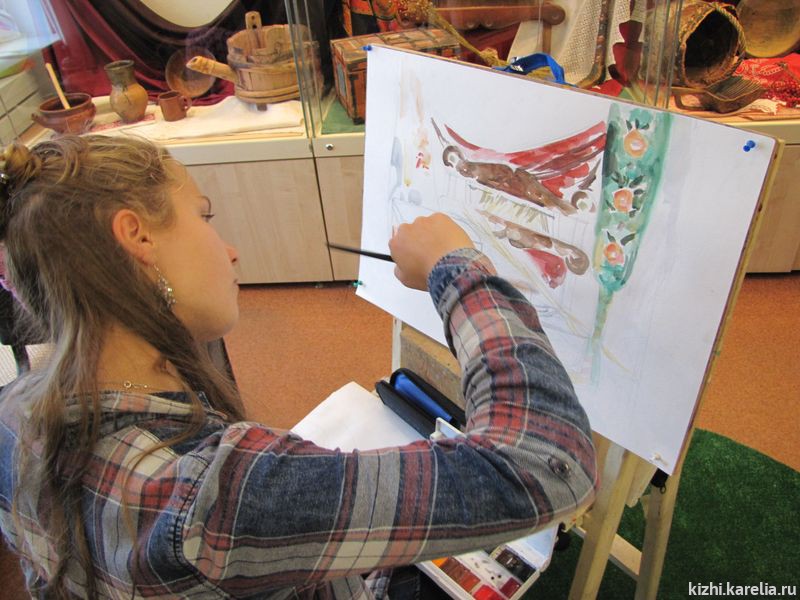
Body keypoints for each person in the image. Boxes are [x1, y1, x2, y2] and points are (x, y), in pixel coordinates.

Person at [0, 134, 597, 599]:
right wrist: (455, 266)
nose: (229, 250)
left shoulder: (12, 418)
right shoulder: (220, 498)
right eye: (204, 216)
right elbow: (547, 465)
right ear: (137, 237)